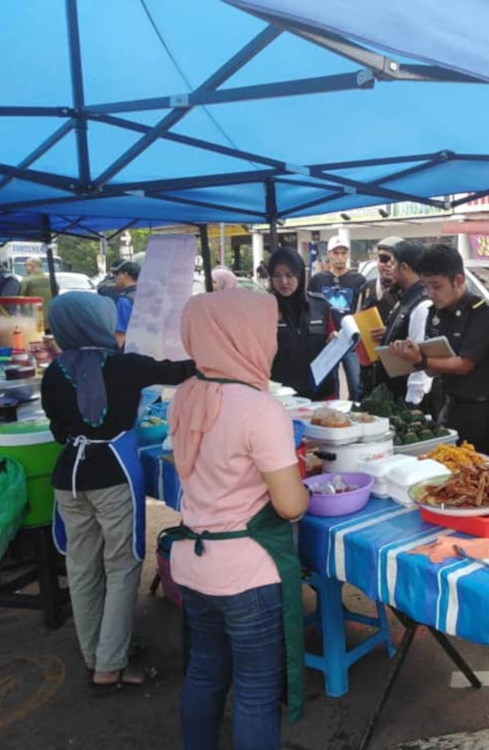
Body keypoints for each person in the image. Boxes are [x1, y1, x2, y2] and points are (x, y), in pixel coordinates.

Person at [165, 290, 309, 750]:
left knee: (205, 672)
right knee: (254, 692)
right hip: (247, 573)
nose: (271, 342)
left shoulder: (184, 394)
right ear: (242, 336)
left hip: (193, 563)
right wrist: (304, 484)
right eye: (266, 332)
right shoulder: (259, 408)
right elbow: (290, 506)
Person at [40, 292, 194, 693]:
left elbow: (59, 430)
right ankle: (110, 667)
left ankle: (95, 653)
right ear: (96, 324)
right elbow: (181, 371)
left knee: (83, 568)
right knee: (122, 567)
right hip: (110, 476)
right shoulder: (124, 365)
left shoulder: (53, 372)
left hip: (67, 480)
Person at [391, 244, 489, 455]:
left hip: (483, 413)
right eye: (426, 286)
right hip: (448, 407)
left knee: (480, 475)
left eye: (436, 286)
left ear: (458, 280)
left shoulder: (483, 314)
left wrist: (421, 359)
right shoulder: (435, 314)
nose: (430, 293)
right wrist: (410, 356)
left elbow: (464, 364)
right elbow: (432, 371)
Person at [268, 248, 336, 400]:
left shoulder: (320, 305)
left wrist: (334, 341)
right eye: (277, 276)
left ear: (300, 275)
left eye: (289, 275)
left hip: (320, 393)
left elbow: (332, 341)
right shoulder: (265, 308)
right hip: (281, 396)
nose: (283, 282)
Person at [376, 240, 433, 407]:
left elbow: (420, 359)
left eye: (393, 264)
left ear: (404, 268)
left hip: (408, 398)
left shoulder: (422, 305)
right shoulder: (405, 298)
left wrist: (412, 403)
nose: (389, 268)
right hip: (394, 391)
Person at [310, 236, 367, 400]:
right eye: (336, 253)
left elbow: (362, 309)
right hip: (328, 340)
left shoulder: (358, 280)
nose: (340, 257)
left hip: (351, 341)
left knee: (356, 385)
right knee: (330, 386)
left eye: (343, 253)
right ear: (329, 254)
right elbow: (312, 307)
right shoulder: (318, 280)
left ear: (348, 255)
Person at [360, 236, 404, 323]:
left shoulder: (407, 291)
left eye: (394, 260)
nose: (388, 264)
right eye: (384, 259)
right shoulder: (367, 288)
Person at [18, 257, 55, 324]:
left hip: (33, 319)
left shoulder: (26, 281)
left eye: (26, 265)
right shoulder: (51, 280)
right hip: (50, 318)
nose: (25, 268)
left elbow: (20, 300)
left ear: (31, 266)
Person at [113, 261, 140, 348]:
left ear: (125, 274)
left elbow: (120, 334)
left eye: (117, 275)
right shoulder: (149, 296)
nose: (116, 278)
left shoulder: (125, 300)